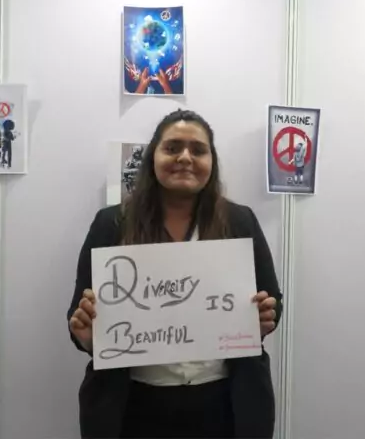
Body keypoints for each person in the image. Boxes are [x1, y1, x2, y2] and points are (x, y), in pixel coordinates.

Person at [67, 110, 281, 438]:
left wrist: (266, 315)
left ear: (212, 161)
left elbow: (272, 302)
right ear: (153, 156)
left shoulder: (240, 221)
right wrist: (86, 336)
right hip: (132, 406)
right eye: (172, 148)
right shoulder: (111, 223)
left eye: (198, 150)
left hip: (224, 403)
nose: (185, 157)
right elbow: (80, 318)